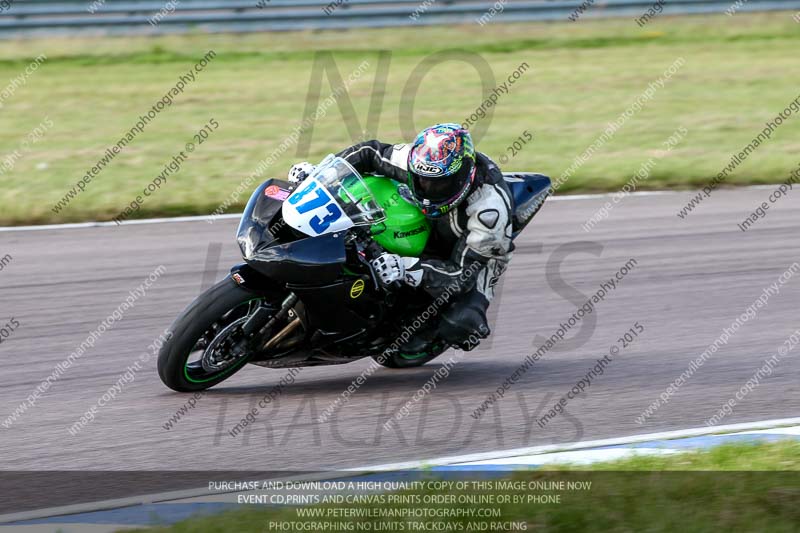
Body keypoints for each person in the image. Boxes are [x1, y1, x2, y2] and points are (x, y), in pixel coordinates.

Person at [288, 123, 513, 352]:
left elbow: (460, 274)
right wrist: (320, 175)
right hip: (436, 219)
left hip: (476, 252)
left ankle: (422, 332)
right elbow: (369, 153)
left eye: (440, 184)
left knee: (460, 322)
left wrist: (405, 268)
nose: (428, 189)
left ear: (463, 177)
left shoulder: (488, 213)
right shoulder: (420, 160)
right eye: (422, 180)